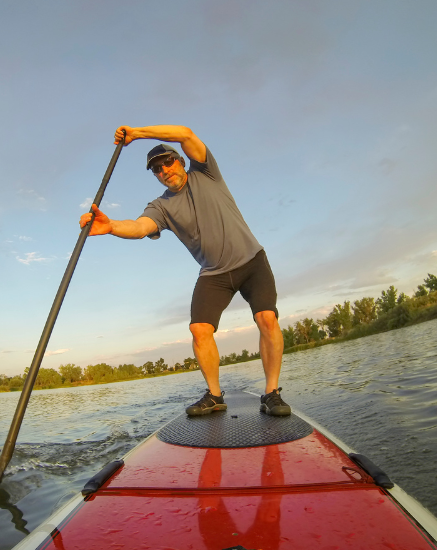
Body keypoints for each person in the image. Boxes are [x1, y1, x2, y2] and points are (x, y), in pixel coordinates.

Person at [80, 125, 290, 417]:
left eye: (167, 161)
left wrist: (137, 134)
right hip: (214, 274)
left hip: (251, 261)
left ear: (179, 160)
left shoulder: (206, 173)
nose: (164, 169)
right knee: (198, 329)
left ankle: (271, 393)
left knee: (267, 318)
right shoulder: (161, 207)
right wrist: (112, 226)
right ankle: (215, 396)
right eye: (156, 169)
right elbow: (141, 227)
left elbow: (185, 134)